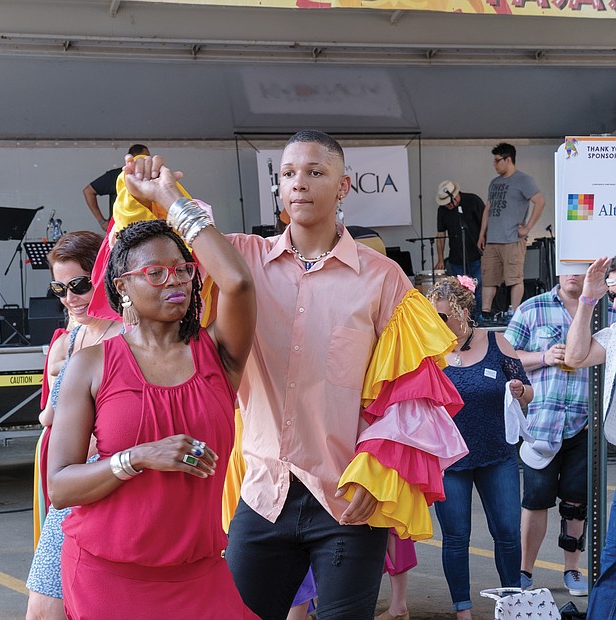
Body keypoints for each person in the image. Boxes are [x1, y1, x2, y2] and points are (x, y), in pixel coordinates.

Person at [118, 133, 466, 620]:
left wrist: (380, 470)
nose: (298, 183)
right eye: (287, 174)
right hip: (262, 491)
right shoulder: (239, 257)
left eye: (314, 172)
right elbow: (154, 257)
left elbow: (411, 391)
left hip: (345, 497)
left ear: (344, 186)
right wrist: (151, 194)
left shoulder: (383, 278)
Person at [47, 168, 258, 618]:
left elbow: (238, 283)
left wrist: (167, 196)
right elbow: (60, 487)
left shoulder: (218, 355)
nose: (176, 281)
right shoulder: (92, 365)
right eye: (156, 273)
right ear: (122, 286)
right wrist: (138, 457)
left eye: (183, 271)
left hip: (199, 574)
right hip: (108, 576)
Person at [26, 231, 122, 620]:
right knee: (45, 605)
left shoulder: (125, 336)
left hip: (103, 487)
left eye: (80, 285)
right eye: (60, 288)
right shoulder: (76, 334)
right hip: (68, 483)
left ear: (103, 275)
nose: (70, 297)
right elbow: (47, 414)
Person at [427, 275, 533, 620]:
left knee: (507, 532)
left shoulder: (497, 343)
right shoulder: (428, 349)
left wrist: (518, 390)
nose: (438, 323)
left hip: (496, 454)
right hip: (449, 459)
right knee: (456, 537)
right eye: (434, 316)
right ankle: (463, 610)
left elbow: (529, 392)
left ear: (464, 313)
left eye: (444, 316)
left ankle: (513, 603)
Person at [505, 274, 595, 597]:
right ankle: (524, 571)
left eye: (579, 266)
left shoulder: (604, 311)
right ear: (558, 268)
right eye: (567, 266)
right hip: (542, 424)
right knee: (535, 500)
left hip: (586, 424)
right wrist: (543, 357)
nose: (573, 274)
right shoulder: (532, 308)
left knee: (576, 502)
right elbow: (507, 356)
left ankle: (572, 570)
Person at [565, 256, 616, 619]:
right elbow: (574, 355)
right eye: (612, 294)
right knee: (612, 568)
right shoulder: (613, 336)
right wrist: (587, 300)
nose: (615, 301)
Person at [478, 143, 545, 315]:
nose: (495, 165)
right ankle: (485, 312)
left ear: (508, 160)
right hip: (493, 239)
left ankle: (515, 313)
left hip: (512, 240)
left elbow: (540, 201)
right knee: (489, 279)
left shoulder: (523, 180)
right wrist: (481, 234)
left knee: (514, 278)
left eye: (497, 161)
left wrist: (528, 227)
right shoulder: (494, 183)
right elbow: (488, 209)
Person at [435, 180, 485, 318]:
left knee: (478, 287)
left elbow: (485, 224)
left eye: (449, 202)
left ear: (455, 196)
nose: (448, 205)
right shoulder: (442, 211)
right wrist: (440, 258)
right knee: (460, 291)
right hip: (456, 257)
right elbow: (440, 234)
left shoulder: (473, 201)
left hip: (477, 254)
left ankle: (479, 317)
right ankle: (464, 318)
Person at [83, 144, 149, 231]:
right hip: (119, 230)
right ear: (132, 159)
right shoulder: (116, 175)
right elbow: (88, 191)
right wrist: (101, 221)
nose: (146, 161)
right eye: (143, 158)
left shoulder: (150, 176)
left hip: (147, 227)